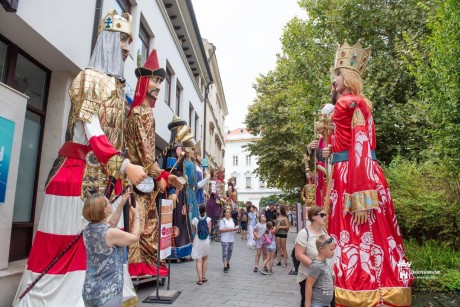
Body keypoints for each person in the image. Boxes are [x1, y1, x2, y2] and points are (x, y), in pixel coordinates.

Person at [14, 10, 146, 306]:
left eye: (129, 44)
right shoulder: (89, 79)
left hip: (101, 177)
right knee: (71, 245)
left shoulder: (116, 86)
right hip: (77, 176)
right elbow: (93, 130)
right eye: (122, 42)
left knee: (101, 243)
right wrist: (125, 166)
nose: (127, 50)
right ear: (109, 41)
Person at [323, 41, 412, 306]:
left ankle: (365, 293)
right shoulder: (358, 103)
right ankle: (381, 289)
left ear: (348, 76)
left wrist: (361, 196)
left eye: (338, 73)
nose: (334, 78)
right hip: (361, 172)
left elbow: (360, 146)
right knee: (378, 234)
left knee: (359, 233)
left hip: (355, 174)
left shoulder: (348, 104)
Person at [125, 49, 183, 278]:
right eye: (155, 80)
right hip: (139, 179)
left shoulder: (144, 112)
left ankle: (146, 265)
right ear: (144, 81)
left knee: (146, 222)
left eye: (161, 80)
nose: (158, 86)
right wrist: (164, 177)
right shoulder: (141, 113)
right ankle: (138, 267)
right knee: (141, 222)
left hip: (145, 179)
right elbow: (145, 153)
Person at [81, 192, 139, 306]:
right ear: (103, 210)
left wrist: (121, 205)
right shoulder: (110, 233)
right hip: (108, 293)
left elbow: (111, 223)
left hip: (90, 290)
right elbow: (135, 237)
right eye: (108, 203)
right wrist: (137, 216)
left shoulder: (87, 230)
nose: (110, 204)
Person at [295, 206, 330, 307]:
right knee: (308, 302)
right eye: (322, 215)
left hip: (323, 277)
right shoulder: (304, 233)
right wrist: (317, 266)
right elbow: (299, 254)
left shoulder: (324, 231)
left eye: (325, 215)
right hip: (308, 276)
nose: (325, 217)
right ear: (313, 217)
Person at [305, 235, 335, 307]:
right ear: (321, 249)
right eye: (331, 249)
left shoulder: (324, 263)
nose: (333, 252)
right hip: (318, 304)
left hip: (326, 304)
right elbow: (308, 285)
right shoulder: (316, 265)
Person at [191, 205, 211, 285]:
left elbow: (194, 231)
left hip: (197, 241)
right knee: (205, 259)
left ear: (199, 211)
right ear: (205, 211)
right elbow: (209, 231)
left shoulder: (195, 219)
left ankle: (200, 280)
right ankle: (203, 276)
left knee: (198, 261)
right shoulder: (209, 219)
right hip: (206, 241)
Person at [219, 208, 237, 272]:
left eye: (229, 212)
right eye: (227, 212)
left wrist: (235, 229)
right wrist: (230, 229)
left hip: (231, 239)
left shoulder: (232, 220)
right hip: (225, 239)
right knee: (225, 253)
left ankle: (228, 262)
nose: (228, 213)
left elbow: (233, 227)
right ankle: (225, 266)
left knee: (230, 252)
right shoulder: (222, 220)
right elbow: (221, 230)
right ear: (224, 213)